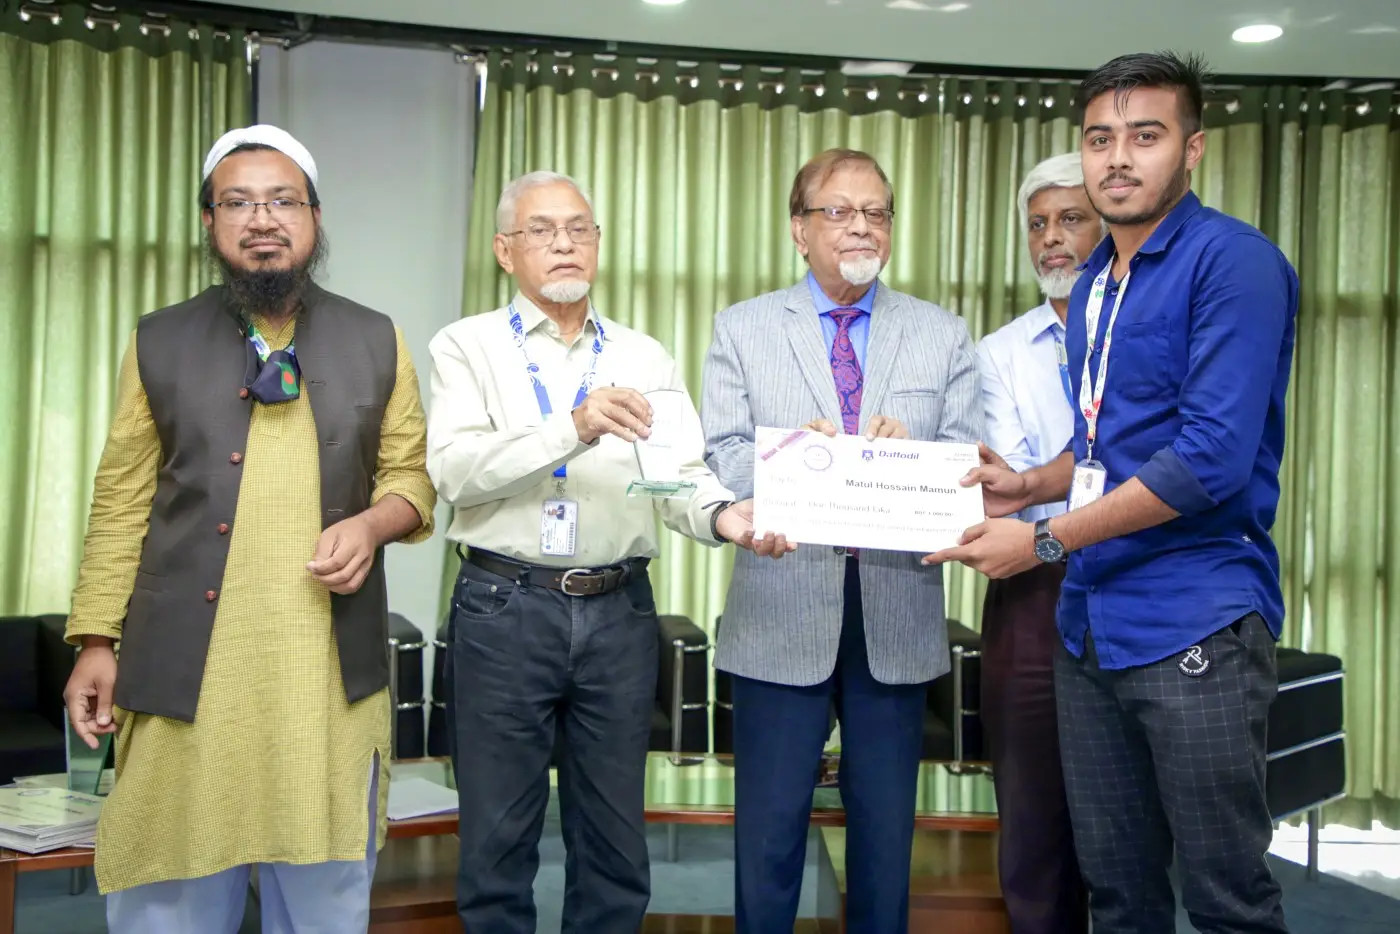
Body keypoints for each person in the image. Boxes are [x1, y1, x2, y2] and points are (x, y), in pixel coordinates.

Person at [927, 52, 1296, 934]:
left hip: (1193, 621)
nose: (1119, 158)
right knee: (1120, 894)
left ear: (1192, 149)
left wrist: (1044, 539)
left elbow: (1207, 461)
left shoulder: (1234, 263)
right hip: (1091, 627)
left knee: (1226, 898)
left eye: (1145, 136)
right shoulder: (1098, 280)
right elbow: (1104, 445)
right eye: (1100, 138)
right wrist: (1028, 485)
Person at [61, 124, 437, 933]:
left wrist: (372, 525)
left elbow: (411, 476)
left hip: (323, 674)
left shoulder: (377, 337)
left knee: (324, 898)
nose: (262, 219)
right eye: (238, 203)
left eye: (282, 201)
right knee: (171, 896)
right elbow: (121, 498)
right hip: (183, 671)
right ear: (209, 222)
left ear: (315, 217)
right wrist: (95, 639)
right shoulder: (158, 339)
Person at [426, 170, 788, 934]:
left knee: (616, 848)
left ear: (597, 243)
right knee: (496, 841)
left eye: (579, 229)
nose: (564, 243)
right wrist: (574, 426)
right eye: (542, 230)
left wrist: (726, 516)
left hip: (618, 611)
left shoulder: (643, 355)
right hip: (504, 608)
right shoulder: (466, 346)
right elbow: (456, 473)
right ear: (505, 250)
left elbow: (676, 474)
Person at [701, 148, 981, 934]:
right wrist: (795, 457)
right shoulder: (744, 328)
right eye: (839, 211)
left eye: (876, 212)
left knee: (886, 843)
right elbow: (720, 452)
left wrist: (910, 457)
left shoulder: (941, 334)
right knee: (768, 838)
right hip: (781, 609)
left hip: (896, 611)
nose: (861, 226)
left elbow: (968, 459)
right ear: (800, 229)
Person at [975, 151, 1103, 934]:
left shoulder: (1149, 329)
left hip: (1135, 579)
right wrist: (1044, 487)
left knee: (1121, 819)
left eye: (1070, 219)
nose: (1051, 237)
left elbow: (1140, 456)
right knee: (1031, 816)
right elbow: (1008, 477)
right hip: (1032, 589)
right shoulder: (998, 352)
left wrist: (1040, 483)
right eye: (1037, 224)